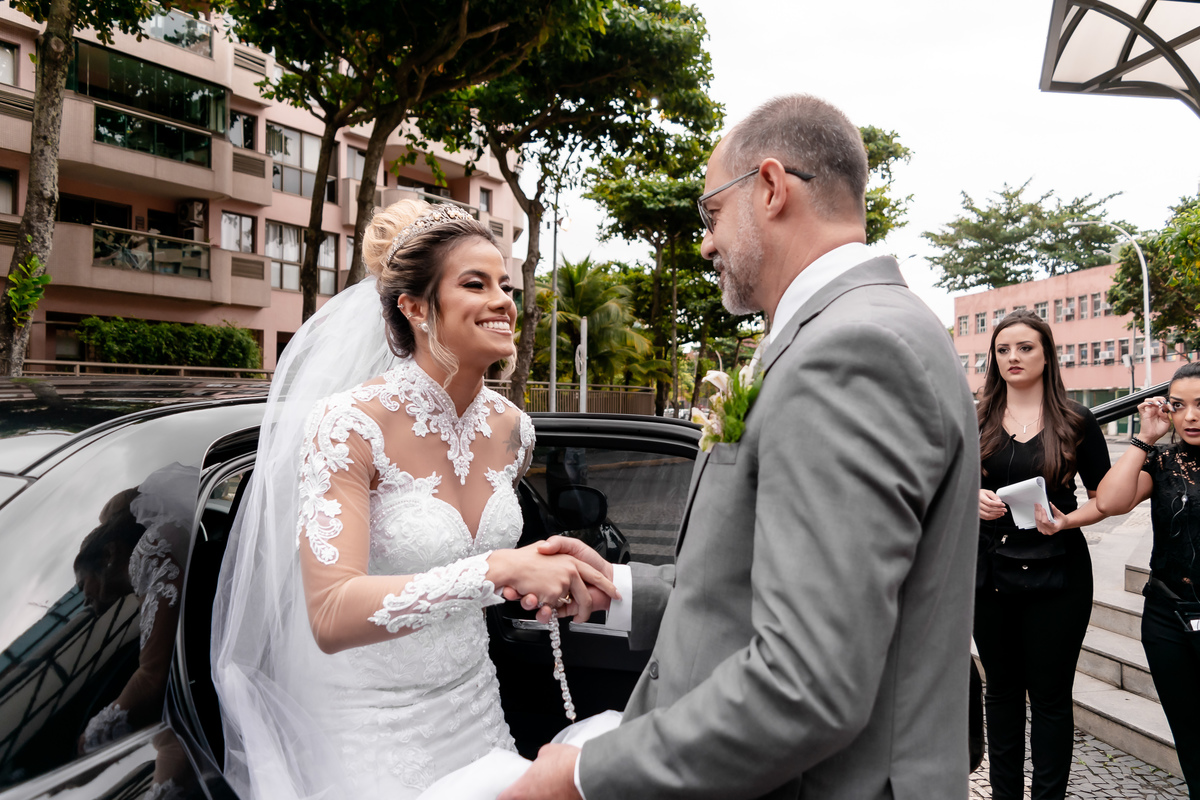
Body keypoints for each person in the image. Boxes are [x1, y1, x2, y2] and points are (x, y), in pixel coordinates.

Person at [500, 93, 981, 800]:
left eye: (711, 213)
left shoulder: (851, 351)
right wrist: (618, 587)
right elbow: (763, 585)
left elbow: (806, 684)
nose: (705, 242)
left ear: (771, 186)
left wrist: (576, 776)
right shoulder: (856, 330)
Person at [211, 199, 617, 800]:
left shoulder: (513, 431)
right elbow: (330, 614)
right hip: (368, 731)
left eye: (504, 283)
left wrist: (540, 576)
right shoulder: (348, 426)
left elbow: (481, 573)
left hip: (476, 709)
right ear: (416, 307)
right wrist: (499, 567)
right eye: (475, 283)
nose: (503, 299)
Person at [973, 310, 1111, 800]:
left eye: (1026, 347)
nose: (1013, 357)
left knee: (1051, 699)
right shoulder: (976, 417)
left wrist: (1068, 519)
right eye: (1004, 348)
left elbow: (1104, 497)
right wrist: (972, 499)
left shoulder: (1077, 419)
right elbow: (943, 489)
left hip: (1061, 572)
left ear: (1048, 353)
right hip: (988, 571)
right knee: (1002, 694)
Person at [1095, 363, 1200, 796]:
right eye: (1180, 406)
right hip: (1167, 615)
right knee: (1192, 741)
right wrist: (1144, 437)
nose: (1191, 416)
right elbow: (1110, 499)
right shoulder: (1161, 461)